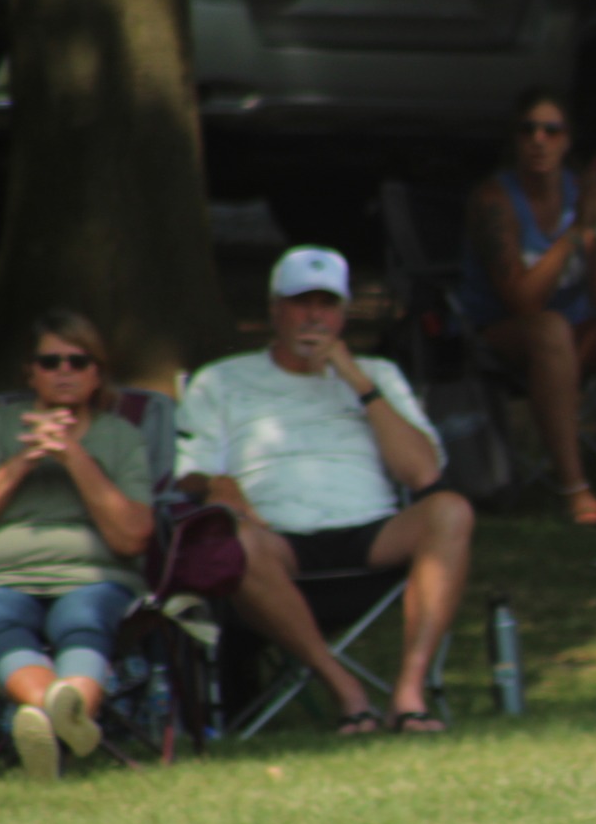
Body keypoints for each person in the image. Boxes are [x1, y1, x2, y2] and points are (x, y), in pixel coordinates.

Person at [178, 246, 473, 734]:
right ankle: (346, 690)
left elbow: (422, 474)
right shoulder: (223, 380)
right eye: (300, 302)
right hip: (275, 542)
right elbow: (188, 471)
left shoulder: (377, 375)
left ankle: (409, 693)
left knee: (451, 510)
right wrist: (218, 483)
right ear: (275, 309)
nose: (314, 316)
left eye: (327, 304)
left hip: (371, 536)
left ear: (342, 312)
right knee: (229, 535)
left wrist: (355, 378)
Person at [461, 88, 596, 526]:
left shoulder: (583, 195)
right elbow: (521, 301)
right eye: (528, 130)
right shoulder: (494, 201)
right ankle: (575, 490)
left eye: (551, 131)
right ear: (515, 140)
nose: (539, 140)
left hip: (572, 336)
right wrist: (573, 235)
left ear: (567, 141)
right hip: (503, 335)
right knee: (548, 327)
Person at [0, 311, 152, 779]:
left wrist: (75, 457)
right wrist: (21, 463)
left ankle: (47, 717)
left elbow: (133, 536)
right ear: (30, 372)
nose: (63, 372)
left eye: (78, 361)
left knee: (83, 617)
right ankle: (59, 716)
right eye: (50, 361)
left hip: (93, 577)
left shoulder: (122, 438)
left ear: (97, 374)